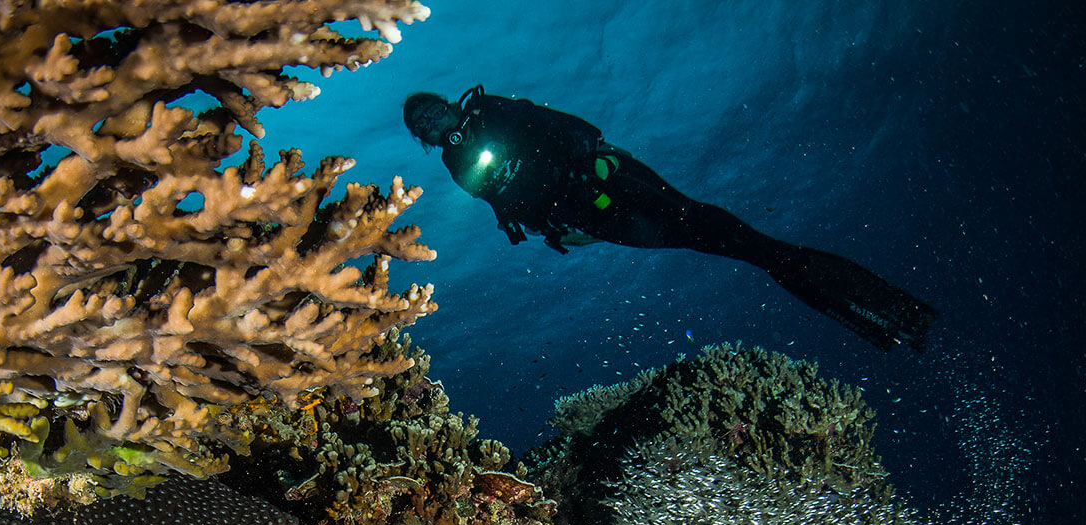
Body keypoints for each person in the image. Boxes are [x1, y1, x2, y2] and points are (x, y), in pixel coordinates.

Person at [402, 85, 938, 351]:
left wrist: (594, 150)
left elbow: (555, 122)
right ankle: (871, 315)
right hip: (592, 217)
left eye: (430, 109)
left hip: (608, 177)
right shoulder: (456, 167)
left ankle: (880, 306)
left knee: (724, 231)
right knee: (721, 244)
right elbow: (508, 206)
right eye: (421, 125)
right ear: (425, 139)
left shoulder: (490, 108)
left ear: (447, 104)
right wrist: (556, 232)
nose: (430, 122)